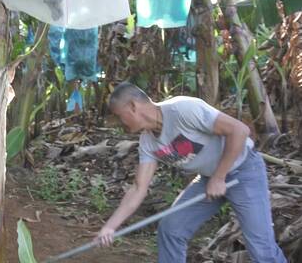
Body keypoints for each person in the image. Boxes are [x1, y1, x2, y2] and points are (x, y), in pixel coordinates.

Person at [95, 82, 287, 262]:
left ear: (133, 106)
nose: (120, 122)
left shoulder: (182, 109)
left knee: (261, 248)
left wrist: (219, 177)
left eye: (119, 116)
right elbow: (139, 188)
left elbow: (239, 130)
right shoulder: (148, 142)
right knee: (172, 229)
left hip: (244, 172)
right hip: (208, 179)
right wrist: (110, 227)